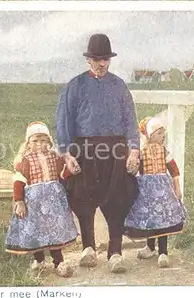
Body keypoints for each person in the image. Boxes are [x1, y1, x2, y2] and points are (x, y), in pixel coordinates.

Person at [56, 33, 140, 273]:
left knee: (118, 197)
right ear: (88, 59)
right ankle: (88, 249)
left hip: (115, 149)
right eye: (97, 59)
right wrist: (67, 155)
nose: (102, 64)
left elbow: (130, 121)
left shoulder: (119, 86)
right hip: (84, 149)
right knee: (83, 197)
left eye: (106, 59)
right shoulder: (75, 86)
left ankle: (115, 252)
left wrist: (133, 150)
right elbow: (63, 122)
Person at [5, 121, 80, 278]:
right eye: (35, 140)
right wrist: (19, 202)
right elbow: (19, 182)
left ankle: (59, 262)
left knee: (54, 230)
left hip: (53, 201)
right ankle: (39, 261)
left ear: (49, 141)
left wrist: (71, 172)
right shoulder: (24, 160)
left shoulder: (55, 156)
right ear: (28, 142)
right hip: (34, 203)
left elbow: (62, 174)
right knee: (36, 231)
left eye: (43, 140)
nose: (39, 144)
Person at [124, 116, 188, 268]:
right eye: (159, 133)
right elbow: (134, 171)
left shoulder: (164, 151)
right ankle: (150, 247)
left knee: (163, 220)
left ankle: (163, 252)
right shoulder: (140, 152)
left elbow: (174, 170)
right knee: (150, 219)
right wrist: (131, 169)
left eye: (163, 133)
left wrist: (177, 188)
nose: (162, 136)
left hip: (163, 192)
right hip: (146, 193)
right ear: (150, 135)